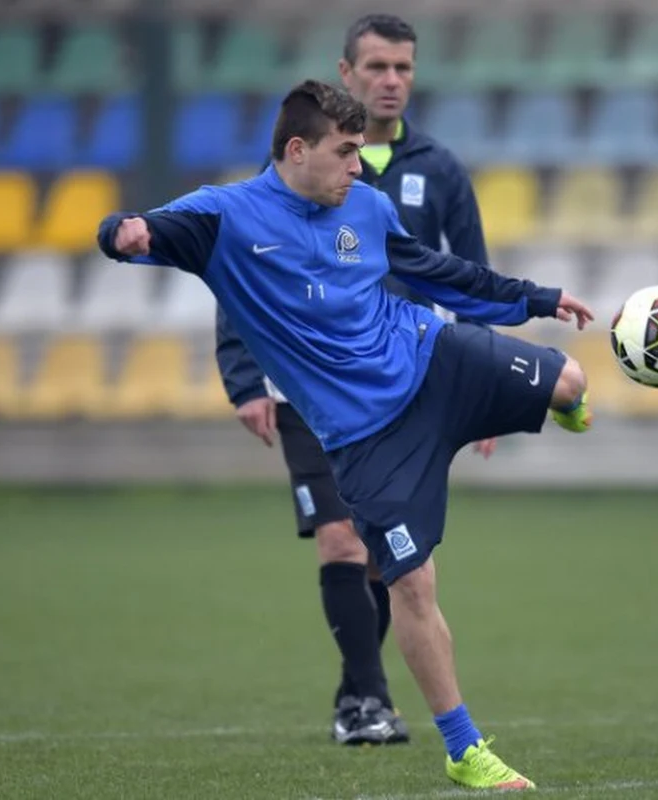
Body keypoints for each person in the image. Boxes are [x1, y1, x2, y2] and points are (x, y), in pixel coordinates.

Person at [99, 80, 593, 790]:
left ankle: (561, 405)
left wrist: (539, 298)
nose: (358, 168)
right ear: (297, 150)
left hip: (434, 358)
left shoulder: (368, 205)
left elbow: (439, 273)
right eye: (345, 152)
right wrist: (122, 234)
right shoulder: (222, 217)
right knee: (412, 583)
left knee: (570, 381)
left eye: (361, 151)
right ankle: (464, 749)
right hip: (367, 439)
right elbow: (134, 229)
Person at [215, 13, 494, 747]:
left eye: (403, 67)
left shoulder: (438, 169)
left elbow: (470, 278)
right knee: (340, 540)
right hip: (308, 385)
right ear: (346, 74)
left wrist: (488, 386)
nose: (391, 81)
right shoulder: (297, 164)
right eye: (375, 67)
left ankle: (355, 692)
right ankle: (368, 704)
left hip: (404, 387)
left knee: (386, 555)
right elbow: (236, 265)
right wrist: (243, 377)